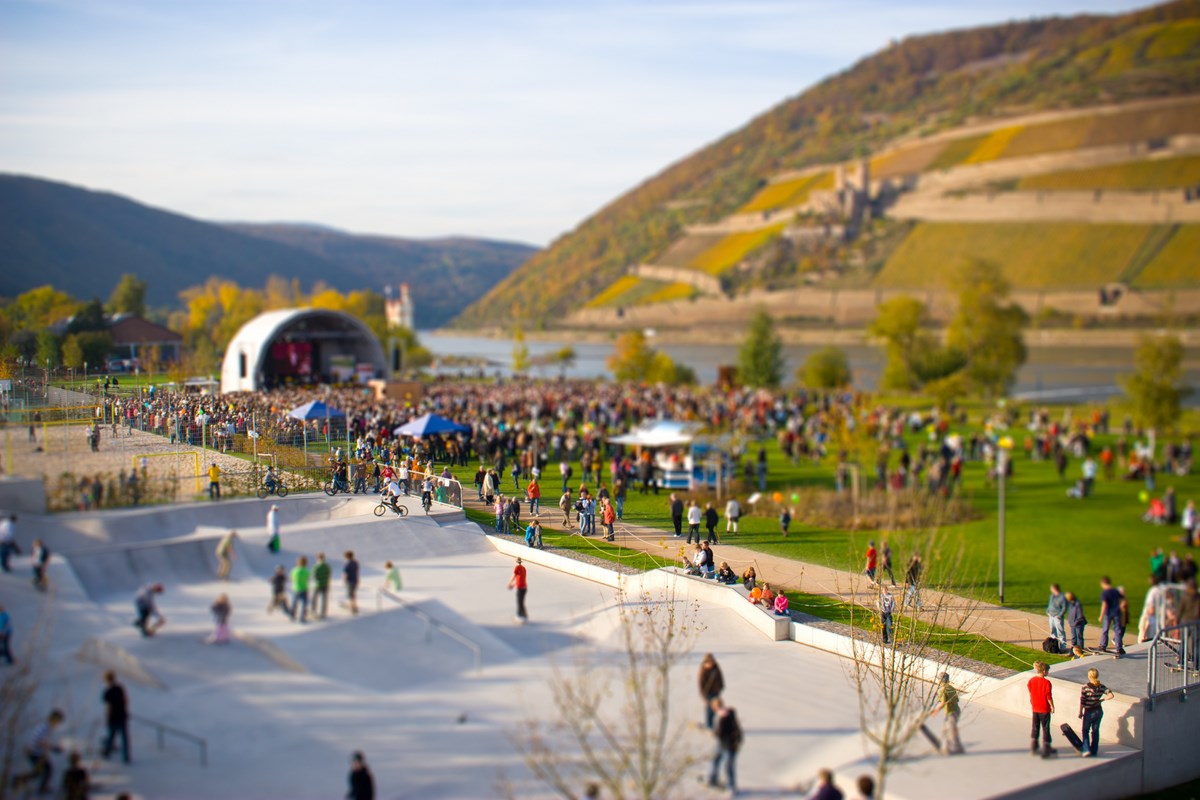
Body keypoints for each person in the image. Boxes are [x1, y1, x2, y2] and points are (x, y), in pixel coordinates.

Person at [12, 709, 65, 794]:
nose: (57, 725)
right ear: (53, 720)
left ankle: (19, 780)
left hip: (36, 753)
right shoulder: (45, 728)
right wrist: (54, 748)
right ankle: (41, 788)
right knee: (47, 770)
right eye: (58, 722)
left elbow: (43, 742)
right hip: (34, 753)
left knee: (39, 772)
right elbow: (41, 742)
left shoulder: (46, 727)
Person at [708, 697, 742, 795]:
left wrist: (716, 733)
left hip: (728, 745)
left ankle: (731, 787)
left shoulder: (724, 716)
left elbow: (723, 732)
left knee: (728, 766)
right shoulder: (723, 715)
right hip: (722, 744)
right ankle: (712, 779)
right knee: (715, 760)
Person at [1078, 667, 1114, 758]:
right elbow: (1111, 695)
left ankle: (1086, 749)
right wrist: (1102, 700)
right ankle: (1094, 751)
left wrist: (1080, 712)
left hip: (1089, 711)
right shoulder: (1101, 686)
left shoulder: (1085, 687)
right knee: (1095, 731)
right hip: (1098, 711)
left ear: (1089, 676)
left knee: (1085, 730)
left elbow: (1082, 701)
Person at [1028, 661, 1056, 757]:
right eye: (1047, 671)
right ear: (1044, 671)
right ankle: (1046, 748)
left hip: (1035, 708)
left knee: (1035, 727)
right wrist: (1052, 706)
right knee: (1045, 728)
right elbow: (1048, 696)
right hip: (1044, 708)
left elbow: (1031, 692)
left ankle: (1034, 746)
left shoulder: (1031, 680)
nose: (1048, 673)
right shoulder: (1046, 682)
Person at [101, 671, 130, 763]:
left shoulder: (108, 691)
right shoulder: (120, 688)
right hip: (122, 715)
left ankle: (107, 752)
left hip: (113, 716)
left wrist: (107, 717)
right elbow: (125, 701)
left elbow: (109, 706)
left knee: (111, 735)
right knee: (124, 737)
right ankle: (126, 756)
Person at [934, 673, 964, 755]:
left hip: (951, 712)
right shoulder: (952, 688)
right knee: (947, 729)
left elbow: (943, 702)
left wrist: (935, 711)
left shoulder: (942, 690)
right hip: (957, 710)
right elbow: (957, 700)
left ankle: (957, 748)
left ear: (941, 680)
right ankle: (946, 748)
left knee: (950, 730)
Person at [1098, 576, 1125, 656]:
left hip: (1108, 613)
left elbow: (1104, 604)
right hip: (1116, 613)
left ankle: (1103, 645)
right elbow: (1123, 599)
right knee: (1117, 630)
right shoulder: (1115, 591)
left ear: (1103, 583)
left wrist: (1101, 616)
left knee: (1105, 629)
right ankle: (1119, 648)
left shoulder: (1105, 593)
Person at [698, 653, 725, 728]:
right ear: (705, 662)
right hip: (708, 693)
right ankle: (709, 725)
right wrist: (704, 696)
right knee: (709, 709)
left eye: (711, 662)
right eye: (708, 663)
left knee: (716, 708)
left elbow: (720, 677)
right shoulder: (703, 671)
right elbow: (701, 684)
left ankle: (712, 724)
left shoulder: (716, 668)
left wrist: (721, 686)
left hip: (716, 691)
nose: (710, 664)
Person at [1046, 584, 1067, 650]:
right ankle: (1053, 647)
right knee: (1052, 631)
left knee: (1060, 632)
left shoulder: (1062, 597)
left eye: (1052, 589)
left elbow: (1064, 607)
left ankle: (1062, 647)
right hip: (1051, 616)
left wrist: (1060, 615)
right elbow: (1050, 604)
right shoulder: (1052, 596)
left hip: (1057, 617)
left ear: (1056, 589)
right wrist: (1048, 611)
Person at [291, 556, 311, 623]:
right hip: (304, 588)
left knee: (294, 603)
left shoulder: (294, 570)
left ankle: (292, 616)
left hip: (296, 588)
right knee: (304, 604)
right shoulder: (306, 571)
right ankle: (302, 617)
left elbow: (292, 579)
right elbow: (308, 579)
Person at [508, 557, 528, 623]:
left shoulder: (517, 568)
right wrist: (513, 585)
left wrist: (510, 583)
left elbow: (514, 576)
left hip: (520, 587)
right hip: (524, 587)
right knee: (521, 602)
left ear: (516, 561)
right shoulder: (524, 568)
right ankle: (524, 615)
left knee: (519, 602)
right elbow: (520, 578)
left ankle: (519, 616)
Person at [312, 553, 332, 620]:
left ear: (318, 558)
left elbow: (314, 576)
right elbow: (329, 575)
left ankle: (314, 610)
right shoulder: (327, 566)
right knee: (324, 599)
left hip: (318, 584)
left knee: (315, 598)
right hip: (325, 584)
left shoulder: (317, 566)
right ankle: (323, 612)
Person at [343, 551, 360, 615]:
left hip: (350, 580)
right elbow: (357, 571)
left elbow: (346, 573)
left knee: (351, 595)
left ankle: (353, 607)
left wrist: (344, 581)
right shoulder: (356, 563)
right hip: (355, 579)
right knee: (353, 594)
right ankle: (354, 606)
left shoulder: (347, 564)